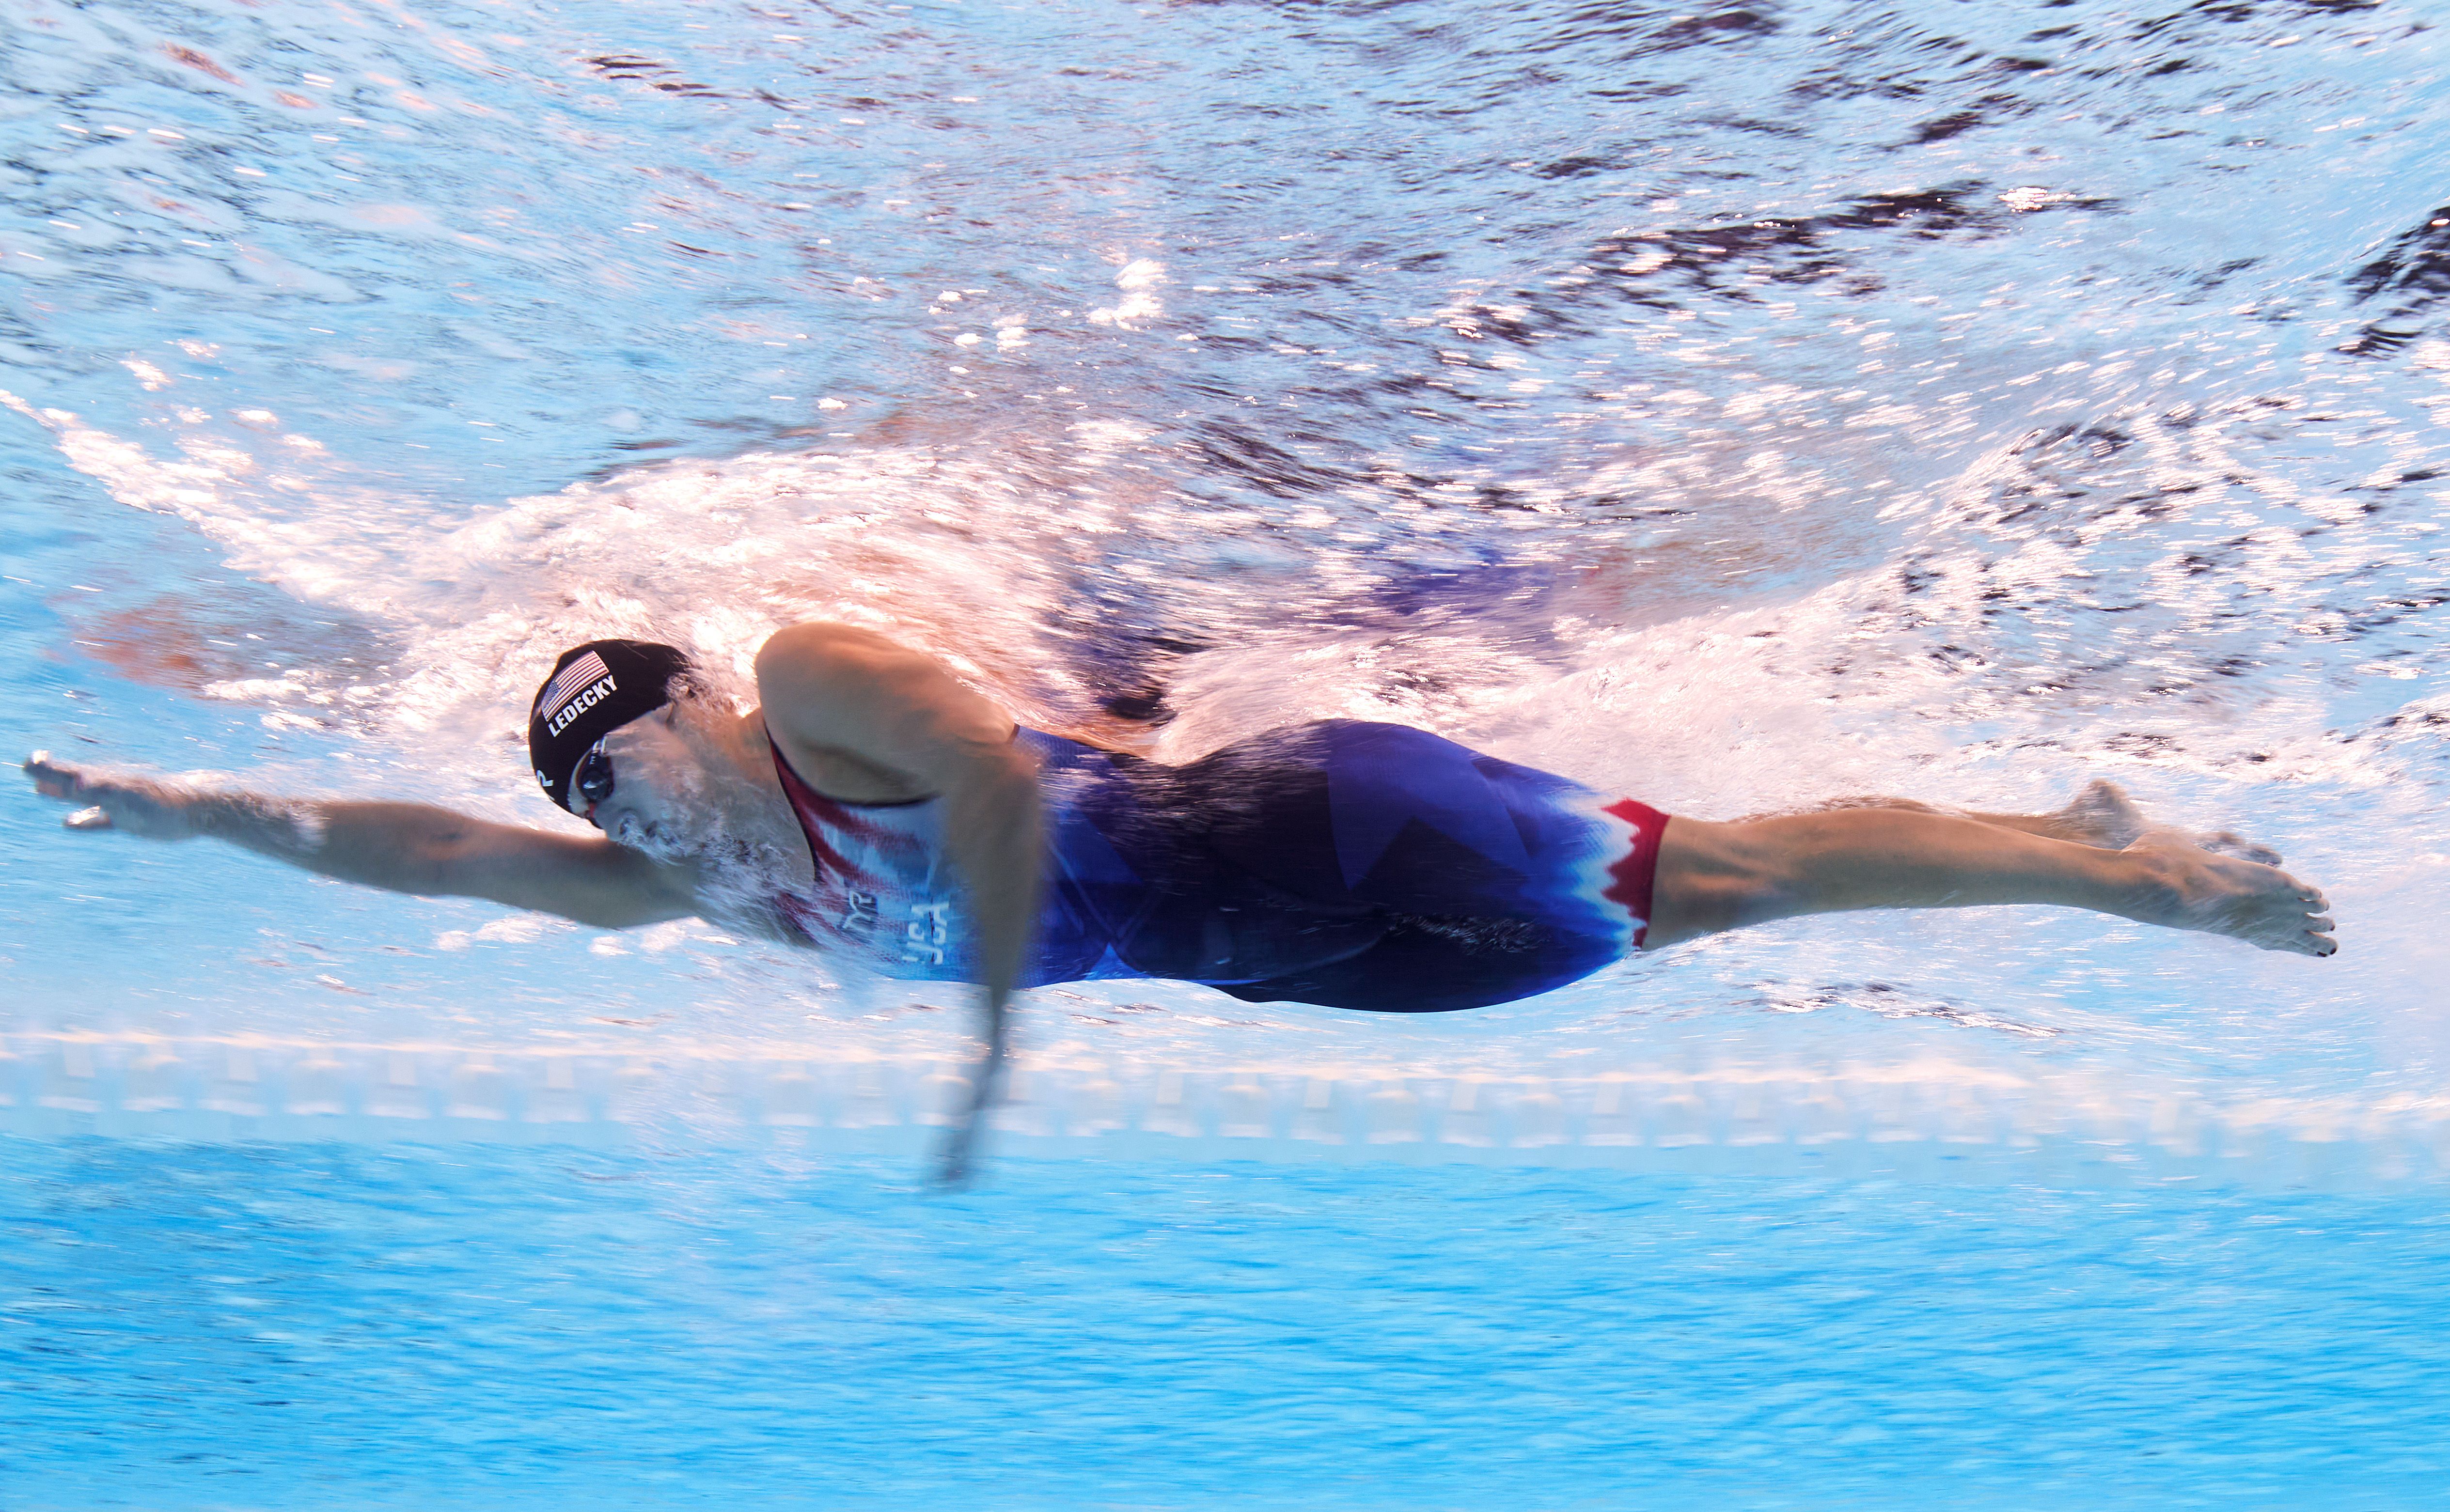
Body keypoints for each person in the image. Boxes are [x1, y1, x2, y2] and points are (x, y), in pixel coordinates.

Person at [24, 623, 2336, 1178]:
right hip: (1297, 958)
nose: (622, 820)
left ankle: (2140, 883)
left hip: (1322, 826)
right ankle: (2080, 836)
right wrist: (180, 803)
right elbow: (416, 848)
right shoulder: (728, 885)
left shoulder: (819, 690)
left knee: (1719, 869)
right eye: (595, 803)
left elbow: (984, 783)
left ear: (698, 709)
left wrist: (994, 1040)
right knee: (1717, 901)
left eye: (632, 766)